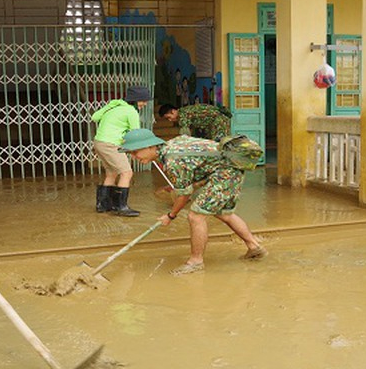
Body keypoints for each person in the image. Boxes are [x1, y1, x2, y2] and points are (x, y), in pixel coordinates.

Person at [119, 128, 267, 276]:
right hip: (227, 170)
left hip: (226, 173)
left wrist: (170, 216)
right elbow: (197, 168)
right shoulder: (172, 146)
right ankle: (254, 247)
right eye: (130, 153)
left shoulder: (172, 161)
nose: (133, 157)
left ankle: (196, 262)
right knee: (224, 214)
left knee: (195, 216)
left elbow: (184, 195)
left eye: (135, 152)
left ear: (150, 146)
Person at [92, 85, 152, 217]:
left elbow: (95, 117)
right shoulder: (131, 111)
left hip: (99, 143)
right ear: (136, 100)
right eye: (143, 100)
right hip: (110, 144)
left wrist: (109, 107)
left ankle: (103, 205)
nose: (145, 103)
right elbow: (135, 134)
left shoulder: (115, 105)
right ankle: (121, 206)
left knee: (111, 173)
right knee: (126, 173)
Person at [158, 103, 231, 142]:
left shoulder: (183, 115)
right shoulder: (184, 111)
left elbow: (185, 135)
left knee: (220, 144)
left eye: (169, 117)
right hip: (216, 122)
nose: (170, 120)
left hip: (219, 122)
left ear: (173, 111)